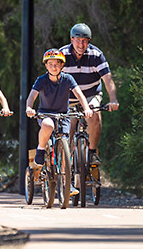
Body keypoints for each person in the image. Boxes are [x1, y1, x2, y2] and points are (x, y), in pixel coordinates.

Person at [25, 49, 93, 183]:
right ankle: (41, 149)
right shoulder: (42, 80)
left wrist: (86, 108)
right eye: (50, 64)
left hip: (63, 115)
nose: (54, 67)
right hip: (46, 114)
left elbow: (79, 94)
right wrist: (29, 107)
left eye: (57, 64)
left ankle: (67, 182)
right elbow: (32, 96)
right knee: (48, 125)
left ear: (62, 65)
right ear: (46, 65)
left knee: (66, 145)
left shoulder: (68, 79)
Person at [60, 23, 119, 166]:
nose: (81, 44)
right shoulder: (62, 55)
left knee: (94, 115)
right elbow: (54, 78)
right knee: (70, 128)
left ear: (89, 41)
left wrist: (113, 99)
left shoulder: (96, 55)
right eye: (78, 40)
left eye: (85, 40)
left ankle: (92, 152)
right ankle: (67, 168)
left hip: (91, 95)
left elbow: (108, 79)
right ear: (71, 39)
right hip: (69, 98)